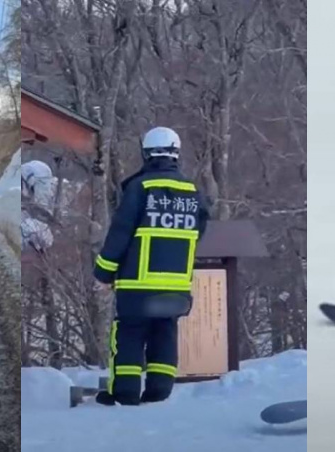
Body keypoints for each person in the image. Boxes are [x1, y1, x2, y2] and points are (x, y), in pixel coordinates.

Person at [93, 126, 209, 406]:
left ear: (145, 153)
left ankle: (126, 393)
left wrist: (103, 273)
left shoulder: (139, 188)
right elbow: (199, 232)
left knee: (130, 334)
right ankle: (159, 391)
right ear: (176, 153)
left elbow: (120, 234)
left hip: (138, 284)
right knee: (165, 333)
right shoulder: (193, 192)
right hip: (177, 286)